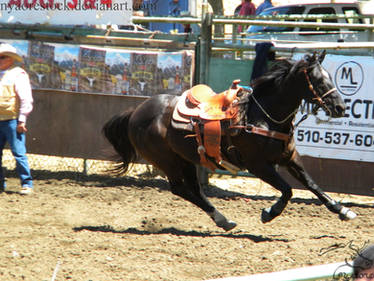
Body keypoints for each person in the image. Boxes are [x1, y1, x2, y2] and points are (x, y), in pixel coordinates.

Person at [0, 43, 34, 195]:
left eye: (2, 57)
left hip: (12, 120)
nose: (0, 60)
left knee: (19, 153)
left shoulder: (18, 74)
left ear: (11, 59)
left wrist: (22, 120)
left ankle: (27, 184)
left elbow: (26, 98)